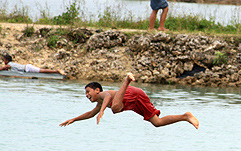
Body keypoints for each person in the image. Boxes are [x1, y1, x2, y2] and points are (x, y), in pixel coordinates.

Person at [60, 73, 199, 129]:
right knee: (157, 122)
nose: (86, 95)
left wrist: (101, 112)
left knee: (114, 108)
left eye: (88, 92)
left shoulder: (102, 95)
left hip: (131, 93)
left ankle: (127, 79)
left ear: (96, 90)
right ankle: (185, 116)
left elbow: (108, 97)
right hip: (134, 101)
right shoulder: (99, 102)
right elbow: (90, 113)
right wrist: (73, 119)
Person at [1, 53, 65, 75]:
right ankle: (56, 71)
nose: (4, 62)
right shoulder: (10, 64)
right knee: (41, 71)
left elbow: (2, 68)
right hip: (27, 68)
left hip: (28, 68)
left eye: (4, 60)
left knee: (42, 71)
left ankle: (57, 71)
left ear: (7, 60)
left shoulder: (9, 65)